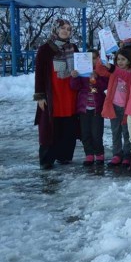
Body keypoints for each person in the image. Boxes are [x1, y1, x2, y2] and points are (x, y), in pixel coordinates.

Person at [34, 19, 80, 169]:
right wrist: (40, 96)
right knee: (50, 127)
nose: (66, 31)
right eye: (63, 28)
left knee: (68, 125)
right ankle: (47, 159)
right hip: (53, 93)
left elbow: (81, 66)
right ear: (56, 29)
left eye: (68, 28)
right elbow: (39, 74)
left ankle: (65, 156)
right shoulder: (45, 49)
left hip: (70, 92)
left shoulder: (74, 47)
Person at [70, 49, 108, 168]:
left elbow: (104, 86)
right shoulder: (81, 71)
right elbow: (74, 86)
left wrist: (96, 79)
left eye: (95, 58)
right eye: (90, 58)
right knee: (85, 133)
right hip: (84, 107)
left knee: (97, 133)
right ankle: (89, 154)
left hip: (97, 107)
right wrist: (74, 77)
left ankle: (99, 154)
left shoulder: (101, 72)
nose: (92, 61)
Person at [98, 47, 131, 168]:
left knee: (127, 132)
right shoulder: (113, 72)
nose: (120, 62)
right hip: (113, 106)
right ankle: (117, 154)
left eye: (123, 59)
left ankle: (127, 155)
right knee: (116, 132)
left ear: (129, 61)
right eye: (118, 59)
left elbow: (125, 76)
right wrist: (102, 55)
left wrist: (112, 68)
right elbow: (100, 70)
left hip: (126, 108)